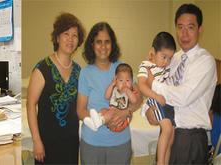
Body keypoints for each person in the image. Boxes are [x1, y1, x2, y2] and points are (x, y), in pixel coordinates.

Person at [145, 4, 217, 164]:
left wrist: (153, 83)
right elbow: (156, 88)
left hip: (190, 139)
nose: (184, 34)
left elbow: (183, 96)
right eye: (180, 27)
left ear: (200, 29)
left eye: (190, 27)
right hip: (167, 135)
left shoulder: (205, 61)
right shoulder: (172, 58)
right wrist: (148, 110)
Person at [77, 22, 142, 164]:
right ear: (92, 45)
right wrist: (106, 120)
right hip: (92, 143)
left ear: (112, 44)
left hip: (120, 143)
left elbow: (139, 98)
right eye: (98, 42)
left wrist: (125, 112)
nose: (103, 46)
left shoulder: (122, 69)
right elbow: (80, 111)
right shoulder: (85, 73)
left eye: (107, 42)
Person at [27, 12, 85, 164]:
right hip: (46, 142)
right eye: (66, 34)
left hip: (71, 142)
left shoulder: (79, 71)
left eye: (75, 35)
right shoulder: (42, 68)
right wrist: (36, 140)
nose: (70, 39)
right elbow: (31, 105)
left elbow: (82, 106)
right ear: (57, 37)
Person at [137, 31, 176, 165]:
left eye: (170, 58)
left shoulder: (167, 67)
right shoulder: (145, 65)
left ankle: (165, 161)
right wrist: (156, 96)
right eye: (164, 56)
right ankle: (160, 162)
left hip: (167, 102)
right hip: (155, 100)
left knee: (171, 134)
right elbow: (142, 86)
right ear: (153, 52)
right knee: (166, 129)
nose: (167, 61)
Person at [84, 63, 138, 132]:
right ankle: (95, 123)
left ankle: (100, 122)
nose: (124, 83)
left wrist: (128, 90)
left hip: (123, 120)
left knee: (111, 112)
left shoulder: (130, 92)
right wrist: (112, 84)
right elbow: (106, 96)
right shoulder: (114, 89)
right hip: (112, 117)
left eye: (127, 80)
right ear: (116, 80)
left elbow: (134, 101)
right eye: (121, 80)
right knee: (103, 110)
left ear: (132, 81)